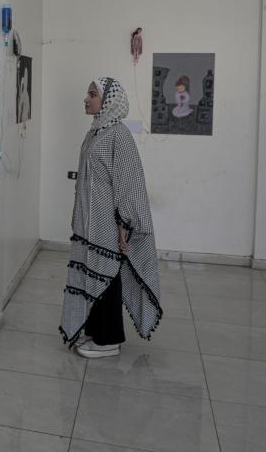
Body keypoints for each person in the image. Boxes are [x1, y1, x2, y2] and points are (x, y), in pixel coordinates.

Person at [60, 77, 161, 358]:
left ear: (109, 101)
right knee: (91, 272)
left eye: (92, 94)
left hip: (107, 223)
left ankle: (109, 339)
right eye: (88, 92)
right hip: (88, 222)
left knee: (106, 275)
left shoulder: (119, 136)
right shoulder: (95, 132)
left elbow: (128, 184)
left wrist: (124, 226)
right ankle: (94, 330)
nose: (86, 98)